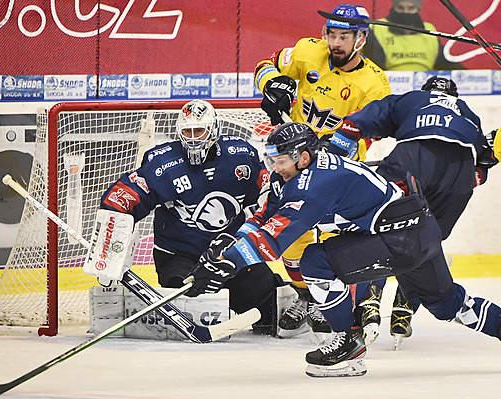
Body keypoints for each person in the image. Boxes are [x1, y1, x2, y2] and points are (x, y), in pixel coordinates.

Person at [184, 121, 501, 377]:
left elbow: (274, 240)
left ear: (302, 157)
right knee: (447, 303)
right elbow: (263, 217)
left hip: (400, 239)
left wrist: (230, 263)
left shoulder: (315, 184)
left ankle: (348, 345)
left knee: (316, 260)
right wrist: (227, 247)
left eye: (279, 160)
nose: (274, 166)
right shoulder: (299, 173)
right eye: (272, 159)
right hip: (416, 228)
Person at [327, 76, 499, 347]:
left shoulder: (414, 100)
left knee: (377, 227)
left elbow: (364, 119)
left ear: (425, 92)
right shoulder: (469, 114)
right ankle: (409, 295)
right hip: (459, 178)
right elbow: (481, 170)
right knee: (421, 242)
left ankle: (369, 295)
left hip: (414, 158)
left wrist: (334, 151)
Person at [253, 4, 391, 338]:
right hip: (293, 166)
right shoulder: (306, 51)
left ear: (360, 38)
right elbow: (265, 65)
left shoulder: (374, 85)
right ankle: (305, 296)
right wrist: (273, 85)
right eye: (332, 34)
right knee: (292, 238)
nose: (336, 42)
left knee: (336, 244)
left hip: (340, 172)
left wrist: (328, 149)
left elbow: (370, 130)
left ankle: (334, 303)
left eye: (344, 35)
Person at [99, 99, 282, 335]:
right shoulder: (161, 163)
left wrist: (248, 240)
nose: (194, 138)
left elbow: (267, 197)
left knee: (272, 304)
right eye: (187, 131)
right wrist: (108, 246)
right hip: (179, 256)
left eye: (199, 131)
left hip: (229, 255)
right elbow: (123, 198)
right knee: (187, 300)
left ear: (214, 129)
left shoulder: (242, 156)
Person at [362, 0, 465, 71]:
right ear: (393, 7)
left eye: (411, 8)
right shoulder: (377, 28)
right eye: (400, 8)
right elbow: (374, 66)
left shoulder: (429, 30)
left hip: (424, 85)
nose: (405, 12)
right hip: (389, 83)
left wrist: (466, 74)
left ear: (418, 9)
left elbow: (444, 62)